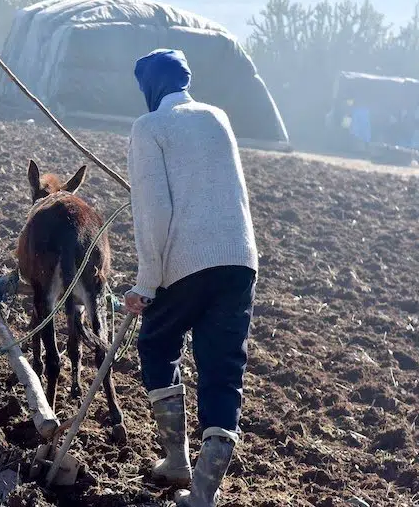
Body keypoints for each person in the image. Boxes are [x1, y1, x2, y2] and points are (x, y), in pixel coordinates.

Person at [124, 49, 258, 507]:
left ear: (151, 87)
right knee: (223, 370)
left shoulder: (149, 128)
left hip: (186, 261)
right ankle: (203, 494)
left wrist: (145, 283)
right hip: (240, 260)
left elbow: (154, 212)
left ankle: (176, 459)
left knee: (157, 343)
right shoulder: (217, 117)